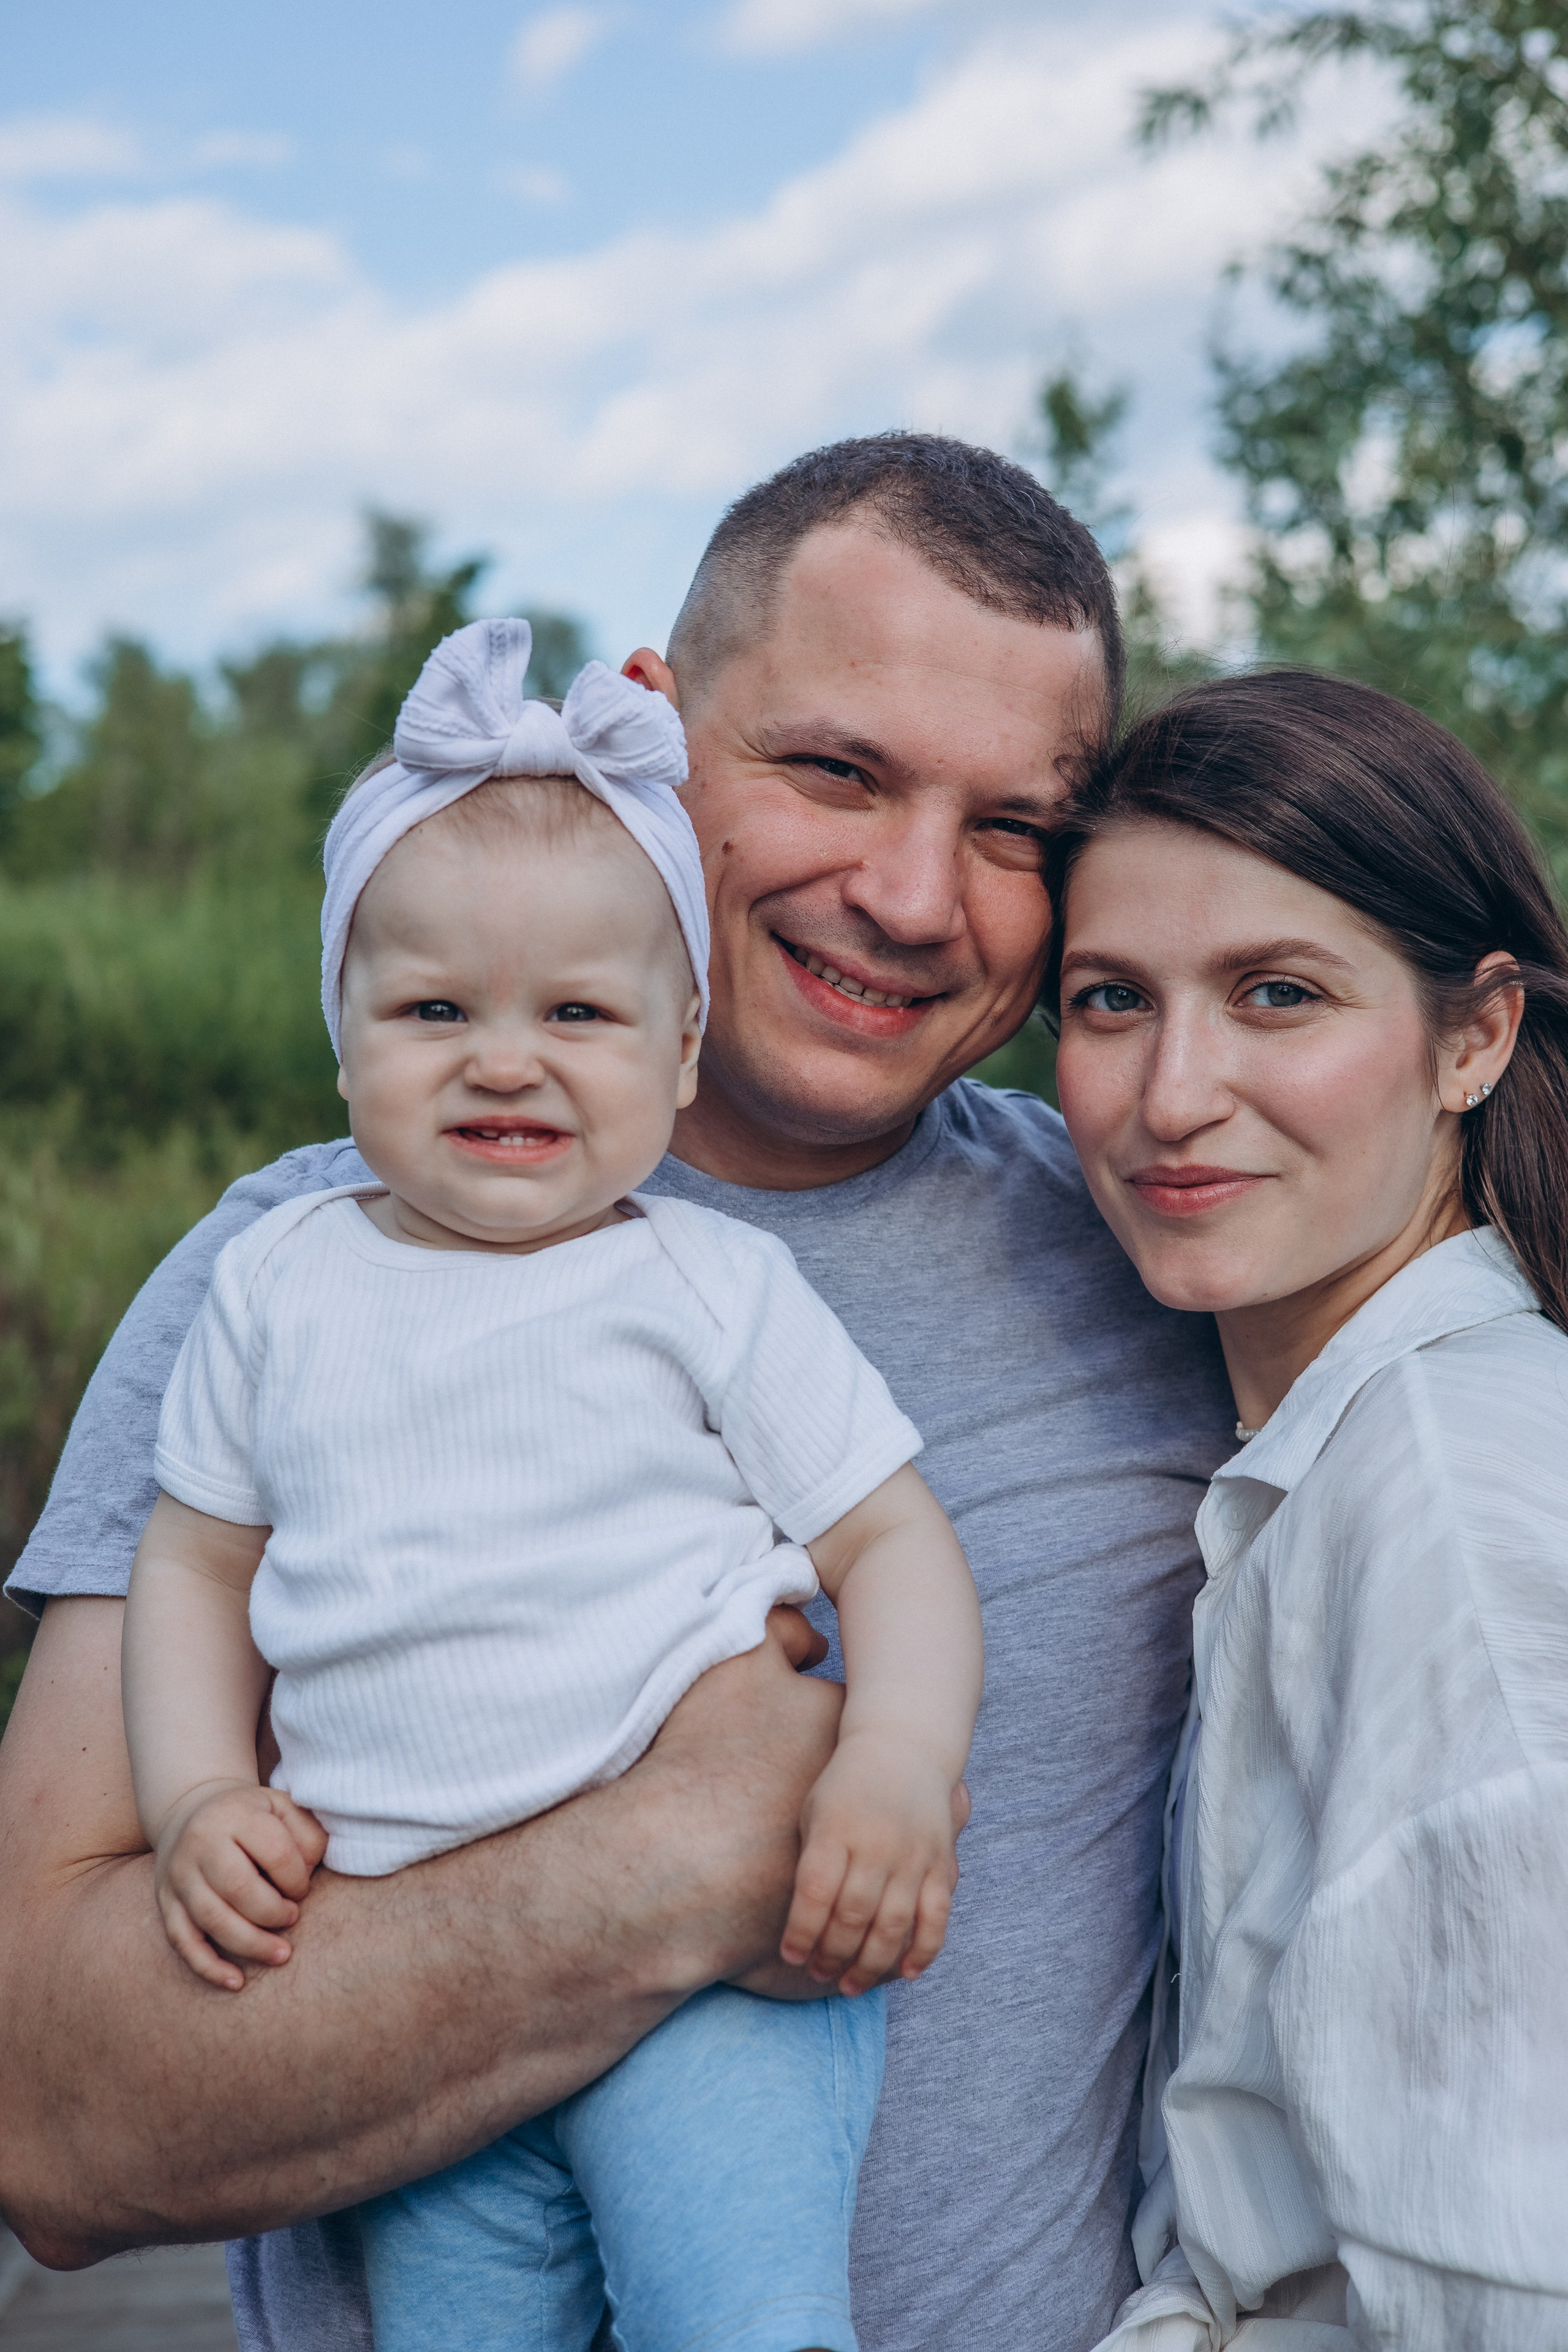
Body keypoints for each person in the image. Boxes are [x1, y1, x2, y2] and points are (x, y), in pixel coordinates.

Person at [0, 434, 1235, 2352]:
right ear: (653, 736)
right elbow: (51, 2129)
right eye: (836, 771)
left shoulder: (1164, 1250)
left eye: (1015, 828)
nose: (916, 896)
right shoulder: (287, 1272)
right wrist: (667, 1860)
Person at [124, 615, 981, 2352]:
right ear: (343, 1038)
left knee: (743, 2323)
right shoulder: (275, 1280)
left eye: (579, 1013)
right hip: (405, 1994)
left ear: (680, 1052)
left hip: (721, 2000)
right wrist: (199, 1793)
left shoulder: (706, 1285)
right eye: (433, 1009)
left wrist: (896, 1757)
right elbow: (195, 1570)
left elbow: (893, 1540)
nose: (504, 1058)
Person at [1041, 668, 1568, 2348]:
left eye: (1278, 994)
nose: (1173, 1094)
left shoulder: (1455, 1509)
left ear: (1475, 1037)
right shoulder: (1325, 1456)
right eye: (1112, 1000)